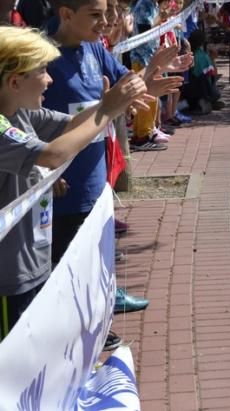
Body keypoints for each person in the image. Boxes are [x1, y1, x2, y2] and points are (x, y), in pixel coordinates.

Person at [0, 26, 149, 341]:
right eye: (42, 71)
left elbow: (72, 124)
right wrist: (107, 110)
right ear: (14, 82)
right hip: (9, 276)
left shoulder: (21, 112)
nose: (50, 80)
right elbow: (54, 154)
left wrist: (115, 103)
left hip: (34, 259)